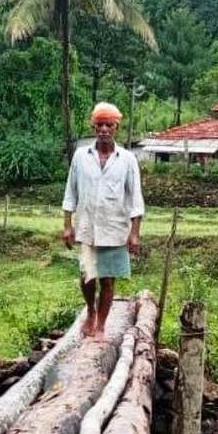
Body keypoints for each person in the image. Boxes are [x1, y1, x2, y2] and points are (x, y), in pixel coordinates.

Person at [61, 101, 144, 337]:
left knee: (107, 280)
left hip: (115, 229)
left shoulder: (127, 160)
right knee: (87, 276)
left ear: (116, 127)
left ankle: (101, 324)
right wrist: (67, 225)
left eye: (109, 125)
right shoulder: (80, 156)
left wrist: (135, 233)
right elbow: (71, 192)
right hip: (87, 228)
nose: (104, 129)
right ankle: (90, 310)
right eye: (100, 125)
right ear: (94, 127)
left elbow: (135, 198)